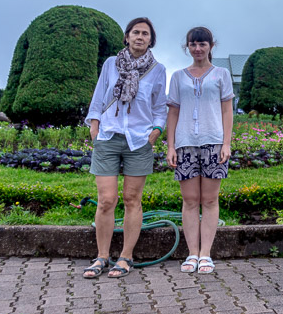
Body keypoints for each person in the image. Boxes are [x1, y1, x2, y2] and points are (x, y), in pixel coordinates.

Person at [81, 17, 167, 279]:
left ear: (151, 40)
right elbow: (99, 97)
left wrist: (156, 132)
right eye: (135, 32)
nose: (140, 37)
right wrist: (95, 127)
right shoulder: (110, 64)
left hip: (139, 140)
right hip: (108, 136)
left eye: (145, 34)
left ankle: (126, 257)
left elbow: (160, 106)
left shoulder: (158, 69)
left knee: (132, 199)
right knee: (107, 200)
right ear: (127, 37)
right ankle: (101, 257)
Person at [166, 27, 234, 275]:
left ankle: (206, 253)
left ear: (210, 46)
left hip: (213, 142)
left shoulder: (221, 74)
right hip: (185, 144)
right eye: (193, 44)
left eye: (202, 44)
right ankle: (192, 253)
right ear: (187, 47)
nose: (197, 49)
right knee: (190, 200)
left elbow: (227, 110)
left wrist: (226, 143)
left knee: (210, 199)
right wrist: (171, 145)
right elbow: (172, 111)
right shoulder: (178, 77)